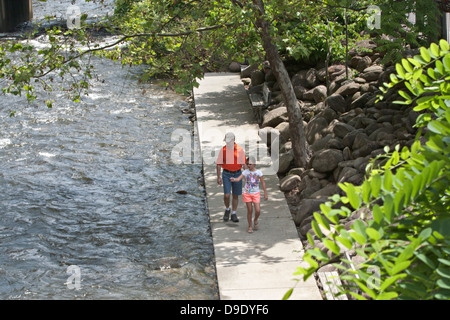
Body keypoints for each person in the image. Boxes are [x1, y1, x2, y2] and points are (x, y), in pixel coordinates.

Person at [230, 156, 268, 233]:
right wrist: (234, 179)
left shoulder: (258, 172)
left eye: (250, 164)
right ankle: (250, 226)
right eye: (247, 164)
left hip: (256, 193)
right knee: (249, 210)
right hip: (247, 193)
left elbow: (263, 183)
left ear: (254, 164)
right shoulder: (245, 172)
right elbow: (238, 179)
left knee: (258, 210)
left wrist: (265, 193)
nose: (248, 165)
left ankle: (256, 219)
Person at [216, 132, 246, 223]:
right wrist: (218, 177)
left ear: (233, 140)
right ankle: (227, 209)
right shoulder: (223, 150)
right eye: (226, 142)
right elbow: (218, 164)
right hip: (226, 174)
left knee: (235, 195)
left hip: (237, 173)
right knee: (227, 194)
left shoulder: (239, 150)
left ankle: (233, 213)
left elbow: (244, 164)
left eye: (229, 142)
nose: (227, 143)